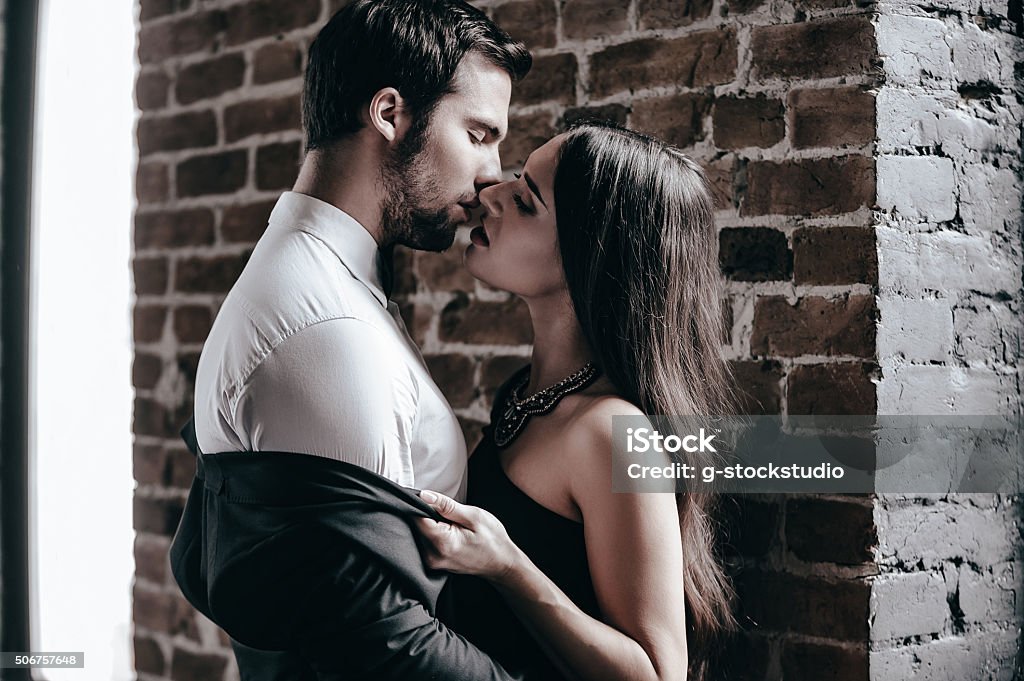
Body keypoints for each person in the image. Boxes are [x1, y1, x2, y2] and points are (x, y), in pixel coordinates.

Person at [178, 0, 532, 678]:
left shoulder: (330, 279)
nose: (492, 172)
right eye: (481, 134)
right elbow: (379, 639)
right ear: (391, 114)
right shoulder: (326, 328)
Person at [414, 122, 739, 681]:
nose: (488, 194)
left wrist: (507, 566)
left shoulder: (608, 432)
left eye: (524, 200)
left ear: (590, 252)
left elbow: (659, 674)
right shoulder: (526, 394)